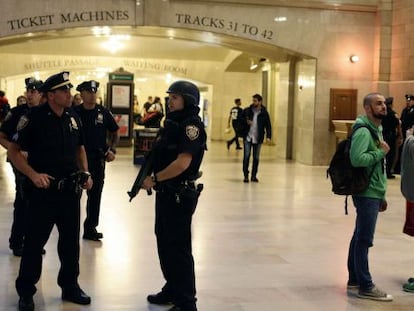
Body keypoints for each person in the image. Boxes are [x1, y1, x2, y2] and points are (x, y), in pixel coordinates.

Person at [7, 71, 93, 311]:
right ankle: (26, 292)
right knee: (34, 244)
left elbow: (80, 148)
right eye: (64, 90)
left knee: (69, 244)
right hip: (43, 195)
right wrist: (33, 174)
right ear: (52, 95)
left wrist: (86, 172)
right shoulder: (33, 118)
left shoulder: (73, 118)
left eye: (69, 89)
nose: (69, 94)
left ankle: (70, 286)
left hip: (69, 193)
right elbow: (13, 151)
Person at [141, 80, 207, 311]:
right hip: (167, 194)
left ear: (188, 100)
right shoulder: (172, 123)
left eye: (175, 98)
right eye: (170, 97)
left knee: (178, 248)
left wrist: (156, 178)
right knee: (165, 242)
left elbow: (182, 163)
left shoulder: (191, 126)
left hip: (180, 194)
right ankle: (172, 288)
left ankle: (186, 302)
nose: (170, 101)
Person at [346, 92, 392, 301]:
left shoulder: (377, 128)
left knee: (359, 236)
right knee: (364, 239)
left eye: (384, 103)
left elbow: (378, 168)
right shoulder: (364, 131)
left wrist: (381, 193)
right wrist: (380, 152)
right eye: (378, 104)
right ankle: (366, 285)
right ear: (367, 108)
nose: (384, 107)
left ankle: (355, 278)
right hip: (366, 192)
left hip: (373, 191)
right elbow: (357, 159)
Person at [0, 77, 43, 257]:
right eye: (28, 91)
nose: (30, 95)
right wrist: (15, 151)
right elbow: (2, 136)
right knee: (23, 201)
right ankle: (17, 242)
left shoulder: (46, 114)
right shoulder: (17, 113)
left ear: (42, 94)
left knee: (38, 204)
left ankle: (33, 242)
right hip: (20, 163)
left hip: (40, 164)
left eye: (34, 92)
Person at [74, 80, 120, 241]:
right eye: (89, 92)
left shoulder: (103, 112)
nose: (93, 95)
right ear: (82, 94)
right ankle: (72, 228)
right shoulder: (74, 112)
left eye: (95, 92)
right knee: (74, 196)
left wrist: (112, 150)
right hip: (77, 161)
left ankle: (90, 228)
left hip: (97, 160)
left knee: (95, 196)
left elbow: (115, 132)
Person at [241, 93, 272, 183]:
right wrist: (246, 122)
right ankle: (246, 176)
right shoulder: (247, 110)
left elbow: (268, 125)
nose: (253, 102)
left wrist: (268, 136)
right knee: (246, 157)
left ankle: (254, 176)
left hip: (258, 138)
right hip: (248, 137)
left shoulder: (264, 113)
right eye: (253, 100)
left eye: (255, 101)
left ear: (260, 101)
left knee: (256, 158)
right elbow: (240, 120)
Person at [382, 97, 402, 179]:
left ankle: (384, 171)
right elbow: (398, 126)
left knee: (384, 154)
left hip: (384, 135)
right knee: (391, 154)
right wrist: (400, 136)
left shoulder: (383, 113)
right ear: (391, 104)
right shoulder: (394, 114)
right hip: (391, 136)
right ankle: (389, 172)